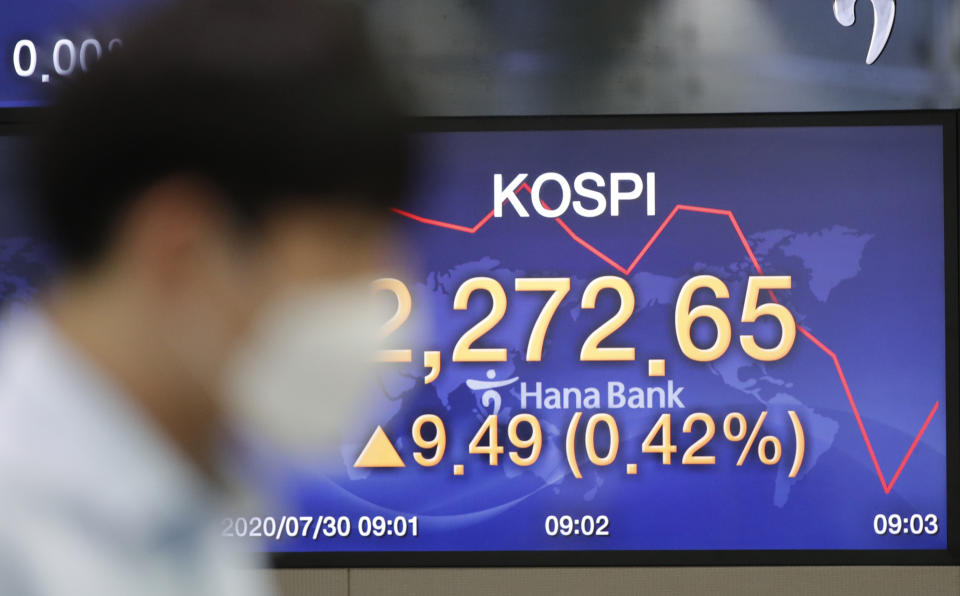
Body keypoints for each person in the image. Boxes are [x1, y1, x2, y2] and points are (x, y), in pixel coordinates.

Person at [0, 1, 410, 594]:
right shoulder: (21, 527)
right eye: (347, 245)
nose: (386, 288)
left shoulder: (199, 515)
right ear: (182, 250)